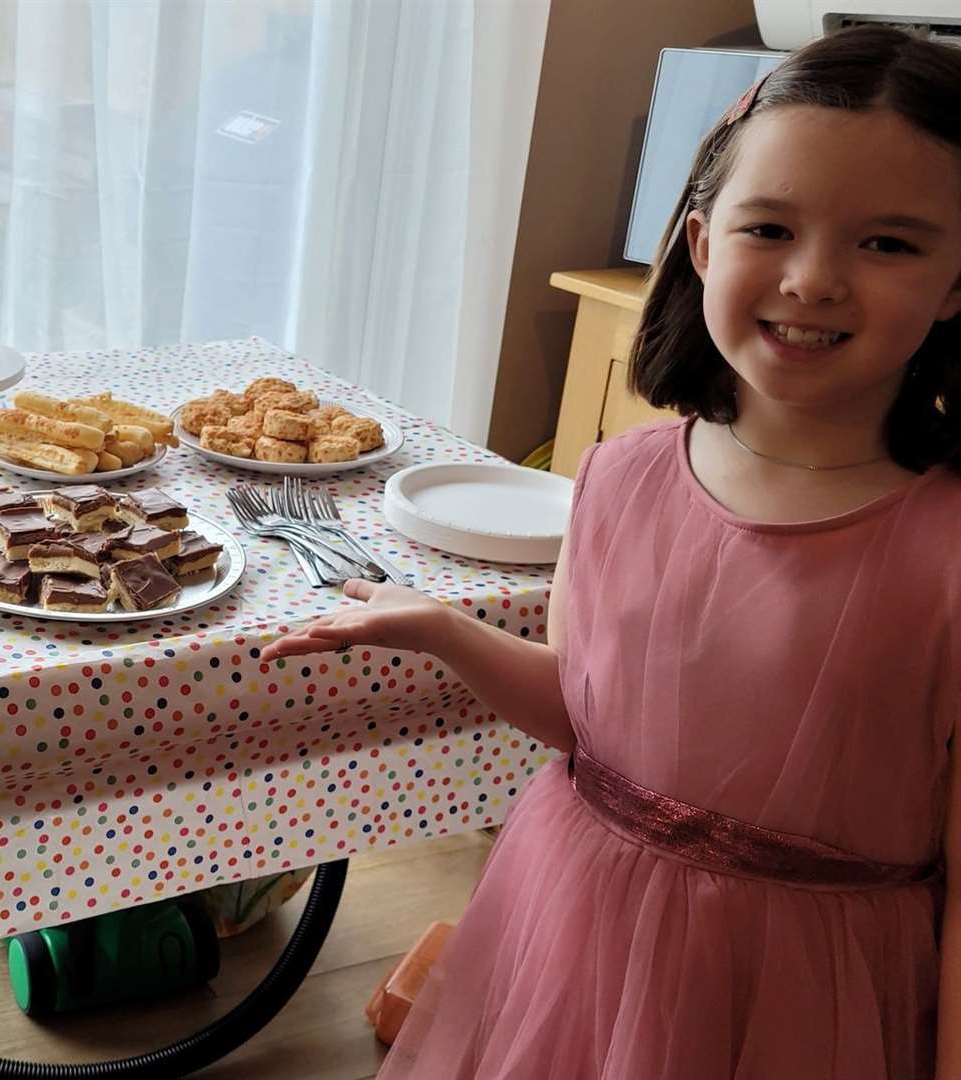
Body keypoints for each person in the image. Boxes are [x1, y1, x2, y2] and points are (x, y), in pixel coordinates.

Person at [262, 25, 961, 1079]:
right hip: (568, 927)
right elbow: (598, 731)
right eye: (770, 226)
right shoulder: (620, 478)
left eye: (890, 244)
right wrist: (444, 630)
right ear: (701, 245)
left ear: (958, 282)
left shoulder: (944, 550)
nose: (815, 280)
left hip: (806, 994)